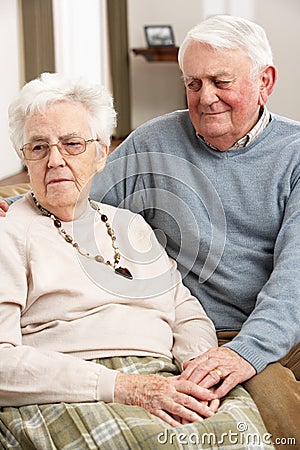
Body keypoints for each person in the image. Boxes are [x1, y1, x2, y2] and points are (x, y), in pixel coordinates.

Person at [0, 72, 274, 449]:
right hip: (75, 386)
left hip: (169, 376)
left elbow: (186, 311)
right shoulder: (8, 232)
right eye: (39, 148)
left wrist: (197, 371)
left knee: (241, 436)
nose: (55, 161)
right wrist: (124, 387)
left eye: (72, 144)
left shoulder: (130, 225)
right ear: (25, 160)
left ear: (101, 155)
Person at [87, 15, 299, 448]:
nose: (206, 98)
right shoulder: (154, 141)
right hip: (209, 331)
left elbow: (295, 276)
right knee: (270, 412)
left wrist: (248, 351)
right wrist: (14, 206)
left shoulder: (293, 154)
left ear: (266, 81)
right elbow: (81, 195)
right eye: (193, 83)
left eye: (221, 81)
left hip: (281, 323)